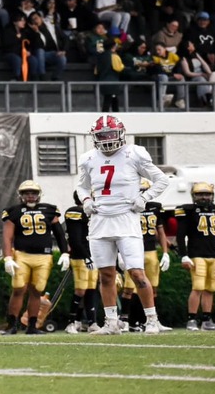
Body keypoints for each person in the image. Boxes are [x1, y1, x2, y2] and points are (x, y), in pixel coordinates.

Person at [75, 116, 170, 335]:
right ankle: (111, 322)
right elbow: (81, 187)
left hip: (126, 220)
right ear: (94, 137)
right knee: (106, 275)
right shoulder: (89, 158)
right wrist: (87, 201)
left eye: (110, 135)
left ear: (121, 134)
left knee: (137, 273)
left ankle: (152, 320)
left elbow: (162, 180)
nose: (107, 140)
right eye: (102, 136)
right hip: (100, 221)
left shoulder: (133, 153)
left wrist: (144, 198)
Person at [2, 181, 68, 335]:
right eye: (26, 193)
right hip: (22, 255)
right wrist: (8, 257)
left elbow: (59, 233)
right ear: (21, 195)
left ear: (39, 195)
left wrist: (65, 252)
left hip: (43, 256)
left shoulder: (50, 210)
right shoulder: (13, 211)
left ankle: (32, 326)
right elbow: (7, 236)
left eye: (33, 193)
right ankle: (12, 325)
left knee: (36, 291)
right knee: (19, 288)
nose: (30, 196)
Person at [176, 182, 215, 331]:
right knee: (198, 287)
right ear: (194, 196)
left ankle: (207, 321)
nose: (204, 197)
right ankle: (191, 320)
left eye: (207, 194)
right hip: (196, 254)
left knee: (210, 288)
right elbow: (180, 236)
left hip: (214, 254)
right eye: (200, 194)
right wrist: (184, 255)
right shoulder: (188, 210)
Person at [120, 178, 171, 332]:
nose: (142, 194)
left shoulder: (155, 207)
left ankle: (151, 320)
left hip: (151, 251)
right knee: (129, 288)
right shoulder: (128, 206)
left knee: (153, 288)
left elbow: (160, 231)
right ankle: (125, 320)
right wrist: (120, 253)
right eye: (139, 190)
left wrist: (165, 253)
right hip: (133, 250)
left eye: (144, 191)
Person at [62, 196, 98, 334]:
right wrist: (87, 257)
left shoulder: (95, 211)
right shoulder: (75, 212)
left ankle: (91, 322)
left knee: (91, 288)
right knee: (80, 290)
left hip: (93, 255)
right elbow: (75, 240)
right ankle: (71, 322)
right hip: (81, 256)